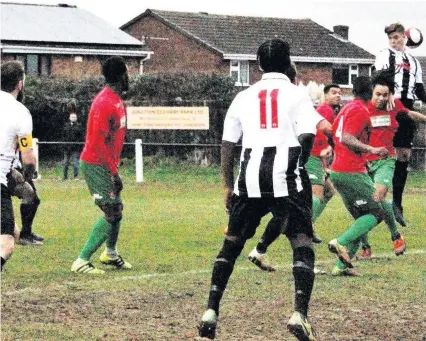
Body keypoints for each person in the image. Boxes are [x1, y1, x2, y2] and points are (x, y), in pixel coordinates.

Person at [198, 39, 330, 341]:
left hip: (250, 179)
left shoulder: (243, 96)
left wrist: (228, 185)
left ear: (258, 65)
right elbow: (308, 135)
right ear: (288, 63)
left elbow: (228, 145)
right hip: (287, 177)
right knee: (301, 241)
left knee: (231, 245)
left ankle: (210, 311)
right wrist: (299, 163)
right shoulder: (297, 95)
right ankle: (299, 314)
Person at [247, 81, 340, 272]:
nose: (338, 95)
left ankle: (261, 248)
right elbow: (320, 132)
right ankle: (300, 239)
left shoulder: (315, 107)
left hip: (294, 160)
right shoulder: (322, 109)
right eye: (334, 92)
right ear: (324, 95)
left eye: (340, 92)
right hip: (307, 158)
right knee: (298, 209)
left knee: (326, 193)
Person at [70, 56, 132, 275]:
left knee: (117, 209)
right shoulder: (104, 102)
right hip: (96, 164)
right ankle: (81, 260)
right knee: (111, 211)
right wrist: (114, 172)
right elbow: (96, 143)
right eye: (127, 72)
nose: (129, 76)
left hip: (105, 164)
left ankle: (110, 254)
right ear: (121, 75)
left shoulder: (115, 99)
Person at [358, 71, 426, 260]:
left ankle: (395, 236)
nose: (381, 98)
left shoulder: (394, 105)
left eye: (385, 95)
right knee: (362, 205)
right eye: (378, 94)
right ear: (371, 92)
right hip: (364, 162)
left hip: (385, 161)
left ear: (390, 95)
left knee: (377, 196)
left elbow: (410, 114)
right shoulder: (362, 108)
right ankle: (366, 246)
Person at [327, 76, 390, 276]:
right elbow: (346, 137)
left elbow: (335, 133)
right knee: (377, 213)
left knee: (362, 218)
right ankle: (340, 242)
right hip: (351, 171)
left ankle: (341, 267)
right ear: (370, 90)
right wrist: (371, 148)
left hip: (339, 170)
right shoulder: (360, 111)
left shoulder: (346, 108)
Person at [375, 22, 426, 226]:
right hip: (387, 107)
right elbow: (378, 78)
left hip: (406, 107)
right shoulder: (383, 55)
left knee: (404, 154)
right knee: (382, 152)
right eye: (391, 38)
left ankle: (397, 202)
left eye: (397, 37)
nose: (394, 41)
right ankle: (375, 200)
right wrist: (385, 98)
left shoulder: (414, 62)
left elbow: (420, 89)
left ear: (405, 38)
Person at [1, 61, 37, 271]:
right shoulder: (20, 112)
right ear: (20, 84)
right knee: (6, 245)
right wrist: (28, 174)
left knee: (13, 232)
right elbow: (28, 157)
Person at [8, 154, 44, 246]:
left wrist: (31, 169)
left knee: (35, 199)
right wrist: (11, 170)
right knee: (28, 192)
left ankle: (26, 233)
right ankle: (24, 236)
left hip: (15, 167)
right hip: (6, 170)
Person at [62, 102, 84, 180]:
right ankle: (64, 177)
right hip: (66, 148)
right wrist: (65, 146)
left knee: (75, 163)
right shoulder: (66, 126)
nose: (73, 118)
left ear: (76, 118)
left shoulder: (79, 126)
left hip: (75, 149)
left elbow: (81, 137)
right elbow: (63, 137)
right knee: (65, 163)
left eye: (74, 117)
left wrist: (77, 146)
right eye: (72, 117)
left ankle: (76, 176)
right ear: (69, 118)